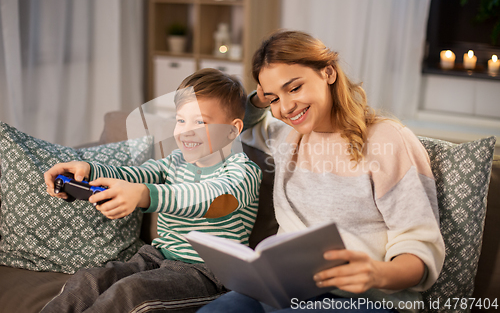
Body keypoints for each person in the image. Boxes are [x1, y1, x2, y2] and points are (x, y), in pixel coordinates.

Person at [198, 31, 445, 313]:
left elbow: (419, 243)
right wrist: (261, 97)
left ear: (328, 72)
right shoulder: (285, 138)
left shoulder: (387, 139)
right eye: (274, 99)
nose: (286, 108)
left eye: (294, 88)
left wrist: (377, 273)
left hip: (361, 299)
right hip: (281, 288)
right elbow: (239, 125)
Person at [42, 68, 262, 313]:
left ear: (232, 130)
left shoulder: (242, 171)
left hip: (209, 273)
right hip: (156, 256)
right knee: (88, 280)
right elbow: (136, 174)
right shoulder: (175, 161)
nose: (186, 130)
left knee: (131, 293)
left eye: (200, 122)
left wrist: (146, 195)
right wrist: (88, 170)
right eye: (181, 120)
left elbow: (215, 199)